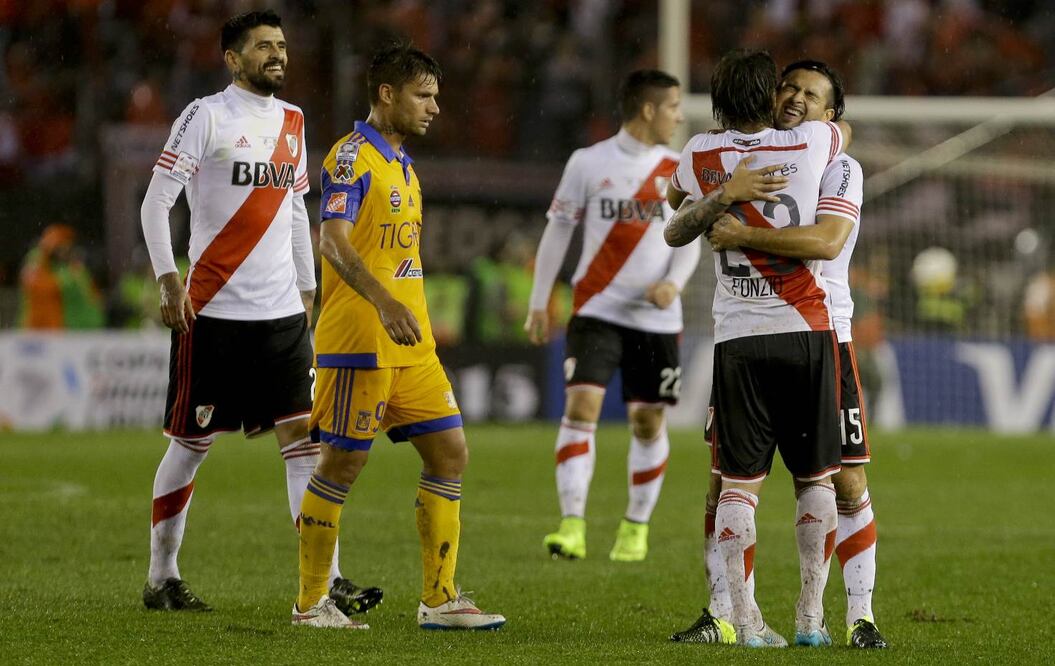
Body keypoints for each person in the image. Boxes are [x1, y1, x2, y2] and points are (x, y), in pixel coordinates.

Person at [138, 10, 380, 617]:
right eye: (264, 46)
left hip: (281, 317)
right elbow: (156, 202)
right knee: (191, 444)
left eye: (282, 45)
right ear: (232, 58)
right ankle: (161, 577)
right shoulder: (205, 115)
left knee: (304, 444)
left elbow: (296, 211)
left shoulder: (293, 120)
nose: (277, 54)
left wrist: (307, 287)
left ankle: (328, 579)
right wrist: (168, 277)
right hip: (212, 312)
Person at [674, 60, 887, 649]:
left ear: (829, 113)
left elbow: (825, 240)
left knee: (846, 480)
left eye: (811, 94)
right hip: (767, 331)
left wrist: (739, 228)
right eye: (788, 87)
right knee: (722, 480)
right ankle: (723, 614)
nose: (795, 98)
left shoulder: (839, 166)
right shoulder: (763, 151)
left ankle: (859, 616)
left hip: (828, 332)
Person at [293, 42, 505, 631]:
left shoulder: (403, 164)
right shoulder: (351, 157)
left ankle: (439, 599)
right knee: (341, 465)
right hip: (360, 340)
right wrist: (383, 301)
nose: (435, 107)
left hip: (413, 345)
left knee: (450, 452)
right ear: (387, 94)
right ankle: (310, 603)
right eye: (423, 95)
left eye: (436, 96)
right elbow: (332, 240)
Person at [524, 69, 701, 562]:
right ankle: (572, 525)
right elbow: (559, 230)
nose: (679, 117)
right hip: (596, 309)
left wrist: (674, 284)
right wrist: (540, 300)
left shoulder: (679, 169)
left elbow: (690, 236)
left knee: (646, 421)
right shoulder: (588, 162)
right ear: (648, 109)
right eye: (673, 107)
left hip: (655, 318)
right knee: (581, 407)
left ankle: (635, 526)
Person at [19, 223, 104, 329]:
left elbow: (92, 295)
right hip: (43, 326)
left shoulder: (71, 267)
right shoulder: (40, 262)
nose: (66, 250)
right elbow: (41, 288)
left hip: (76, 325)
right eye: (62, 247)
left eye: (68, 246)